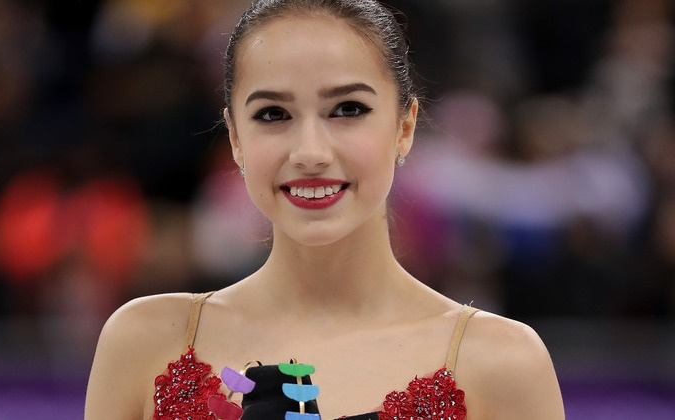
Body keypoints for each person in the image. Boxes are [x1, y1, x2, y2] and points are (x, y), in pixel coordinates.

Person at [84, 0, 565, 418]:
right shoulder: (146, 342)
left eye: (348, 109)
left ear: (405, 127)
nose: (310, 152)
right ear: (235, 138)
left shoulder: (501, 363)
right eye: (273, 114)